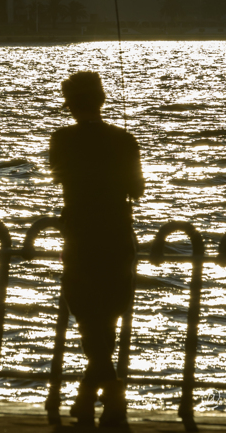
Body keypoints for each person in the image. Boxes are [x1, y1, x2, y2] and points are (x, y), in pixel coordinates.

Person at [49, 71, 144, 427]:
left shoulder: (62, 139)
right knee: (108, 320)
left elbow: (58, 174)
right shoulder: (124, 139)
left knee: (88, 316)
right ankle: (94, 396)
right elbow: (137, 189)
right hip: (118, 237)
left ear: (70, 105)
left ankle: (103, 393)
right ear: (102, 101)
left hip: (81, 238)